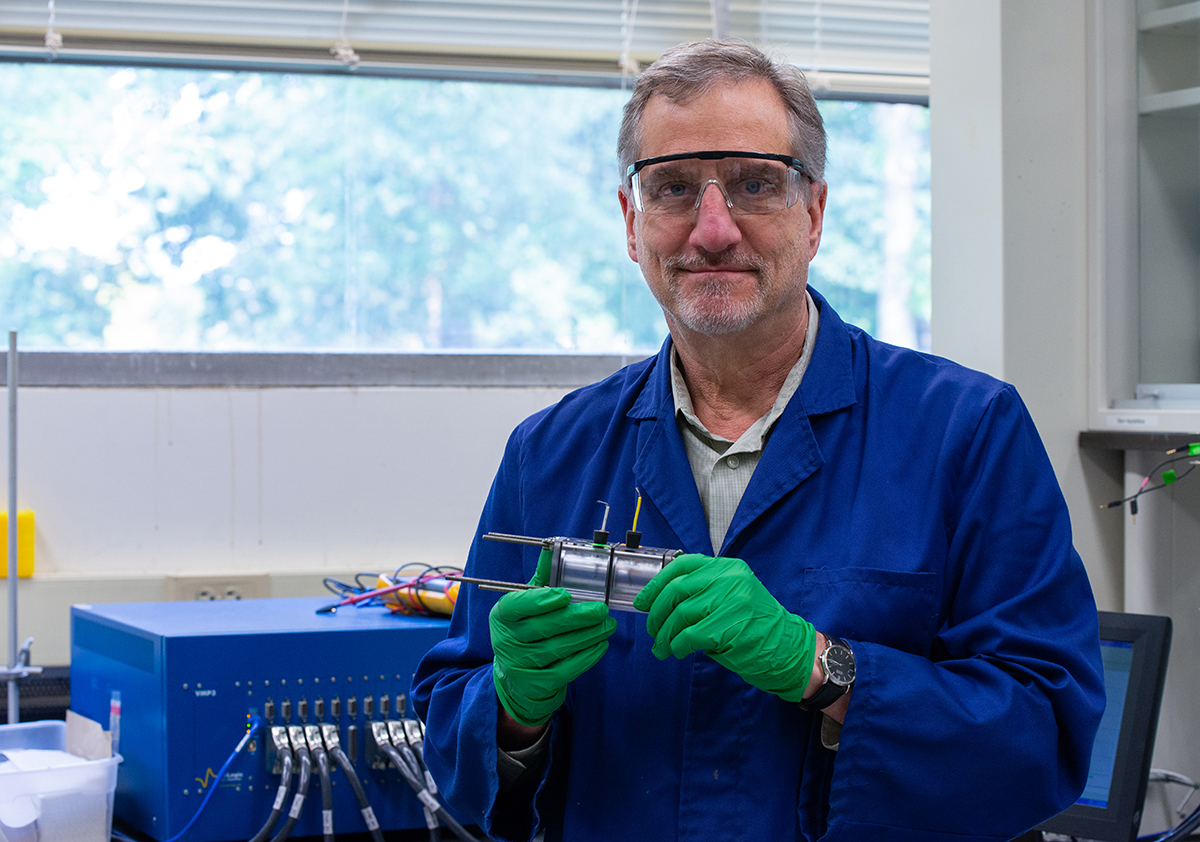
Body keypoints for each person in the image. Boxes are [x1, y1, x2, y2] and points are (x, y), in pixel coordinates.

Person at [412, 38, 1105, 842]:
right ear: (632, 224)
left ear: (812, 214)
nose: (713, 229)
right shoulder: (549, 454)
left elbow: (1046, 735)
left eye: (754, 185)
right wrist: (509, 709)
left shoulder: (966, 433)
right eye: (672, 188)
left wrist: (823, 668)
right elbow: (455, 749)